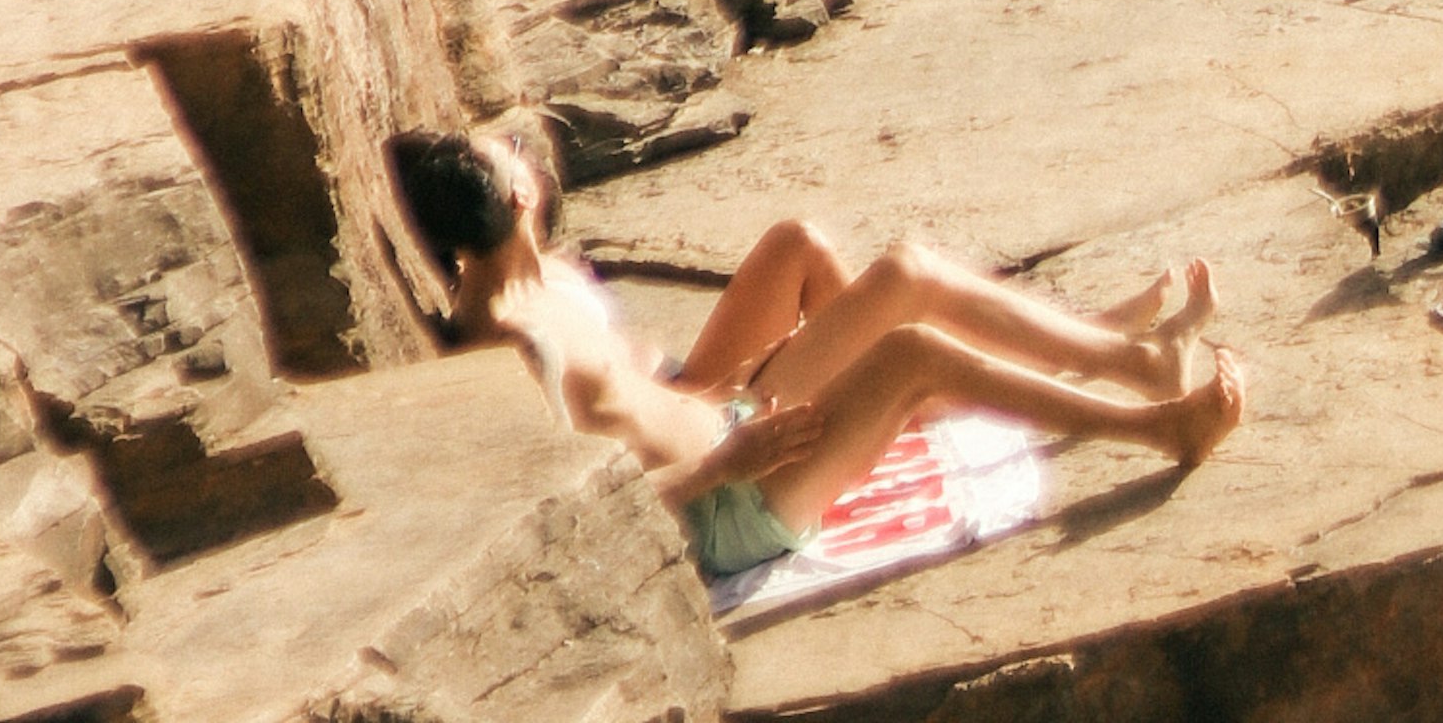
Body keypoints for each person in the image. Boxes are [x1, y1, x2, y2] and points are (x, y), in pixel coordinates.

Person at [386, 129, 1245, 586]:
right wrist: (726, 458)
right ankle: (1158, 428)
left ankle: (1133, 359)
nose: (524, 150)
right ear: (521, 195)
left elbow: (635, 395)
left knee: (864, 262)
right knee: (912, 353)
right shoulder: (511, 345)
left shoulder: (555, 281)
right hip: (731, 503)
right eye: (512, 154)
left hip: (720, 411)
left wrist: (704, 398)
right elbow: (574, 514)